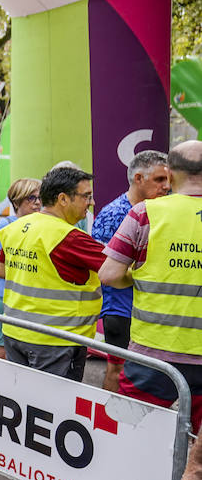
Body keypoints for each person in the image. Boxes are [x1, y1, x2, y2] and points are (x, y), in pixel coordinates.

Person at [87, 142, 202, 480]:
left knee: (132, 443)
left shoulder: (146, 213)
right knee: (199, 456)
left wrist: (143, 281)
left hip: (156, 354)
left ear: (171, 175)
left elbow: (110, 273)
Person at [0, 165, 104, 480]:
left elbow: (0, 268)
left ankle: (20, 476)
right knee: (51, 415)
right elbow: (117, 270)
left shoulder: (17, 228)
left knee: (24, 408)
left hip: (16, 332)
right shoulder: (70, 237)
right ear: (62, 198)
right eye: (85, 196)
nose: (89, 203)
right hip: (57, 339)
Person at [91, 149, 170, 393]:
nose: (166, 186)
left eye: (168, 180)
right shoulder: (114, 214)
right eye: (159, 180)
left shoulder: (160, 210)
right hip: (121, 309)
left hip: (147, 308)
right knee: (119, 370)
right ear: (138, 179)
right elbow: (103, 267)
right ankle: (108, 424)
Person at [0, 178, 42, 360]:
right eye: (31, 198)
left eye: (40, 198)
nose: (38, 203)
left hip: (28, 297)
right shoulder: (3, 226)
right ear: (16, 202)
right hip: (2, 296)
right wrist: (12, 252)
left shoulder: (40, 225)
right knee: (4, 352)